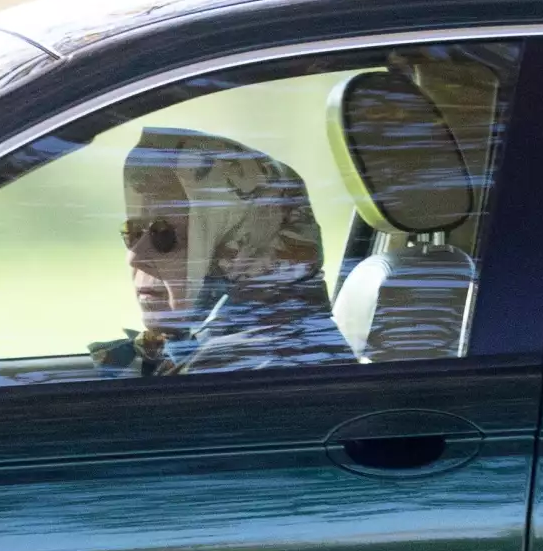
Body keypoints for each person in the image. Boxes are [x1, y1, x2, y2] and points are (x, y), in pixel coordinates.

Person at [89, 127, 356, 376]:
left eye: (163, 235)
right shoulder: (220, 343)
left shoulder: (259, 367)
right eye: (133, 233)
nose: (134, 257)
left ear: (238, 246)